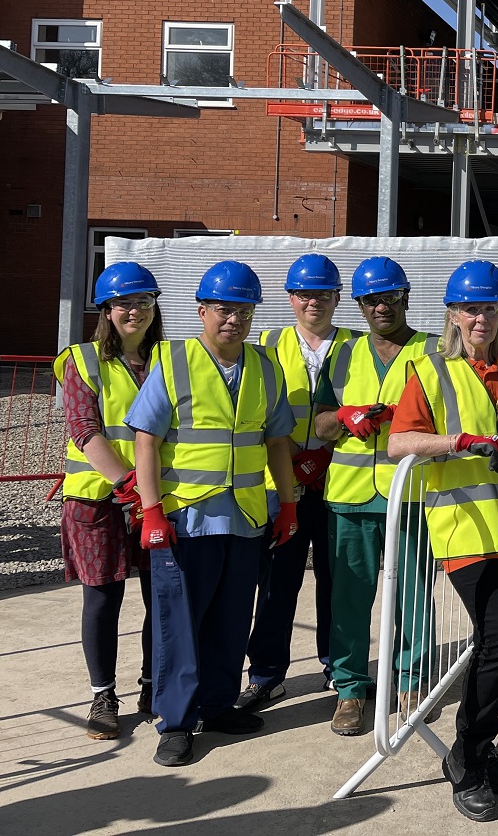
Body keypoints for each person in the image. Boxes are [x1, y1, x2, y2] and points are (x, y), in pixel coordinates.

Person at [388, 260, 498, 822]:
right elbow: (398, 443)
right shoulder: (432, 372)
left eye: (489, 307)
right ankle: (469, 763)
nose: (479, 318)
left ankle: (471, 753)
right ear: (452, 316)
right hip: (464, 531)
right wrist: (454, 441)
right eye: (469, 308)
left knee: (492, 645)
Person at [126, 260, 299, 767]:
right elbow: (145, 441)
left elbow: (277, 442)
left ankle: (218, 705)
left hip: (245, 517)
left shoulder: (266, 366)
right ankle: (176, 722)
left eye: (244, 310)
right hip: (187, 519)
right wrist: (152, 512)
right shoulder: (175, 362)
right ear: (202, 310)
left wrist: (287, 504)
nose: (234, 319)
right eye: (224, 309)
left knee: (230, 620)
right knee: (180, 625)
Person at [313, 256, 442, 737]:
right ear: (359, 304)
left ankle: (410, 680)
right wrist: (345, 416)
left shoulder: (431, 353)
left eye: (390, 296)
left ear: (406, 297)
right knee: (348, 599)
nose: (380, 306)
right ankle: (349, 689)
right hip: (350, 497)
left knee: (413, 594)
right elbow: (321, 424)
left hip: (409, 495)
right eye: (371, 299)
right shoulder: (343, 354)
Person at [236, 254, 354, 711]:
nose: (314, 302)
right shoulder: (267, 343)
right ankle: (266, 673)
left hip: (339, 479)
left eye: (323, 294)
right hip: (282, 482)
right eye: (305, 294)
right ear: (290, 298)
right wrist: (292, 466)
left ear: (338, 298)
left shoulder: (355, 345)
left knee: (337, 579)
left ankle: (336, 666)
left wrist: (323, 458)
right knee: (276, 583)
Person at [53, 261, 162, 740]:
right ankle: (103, 695)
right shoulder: (82, 360)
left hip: (156, 499)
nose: (134, 311)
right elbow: (84, 430)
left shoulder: (171, 359)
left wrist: (148, 494)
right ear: (106, 310)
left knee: (160, 597)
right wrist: (128, 485)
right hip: (96, 501)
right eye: (124, 303)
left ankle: (152, 686)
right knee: (102, 599)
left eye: (143, 301)